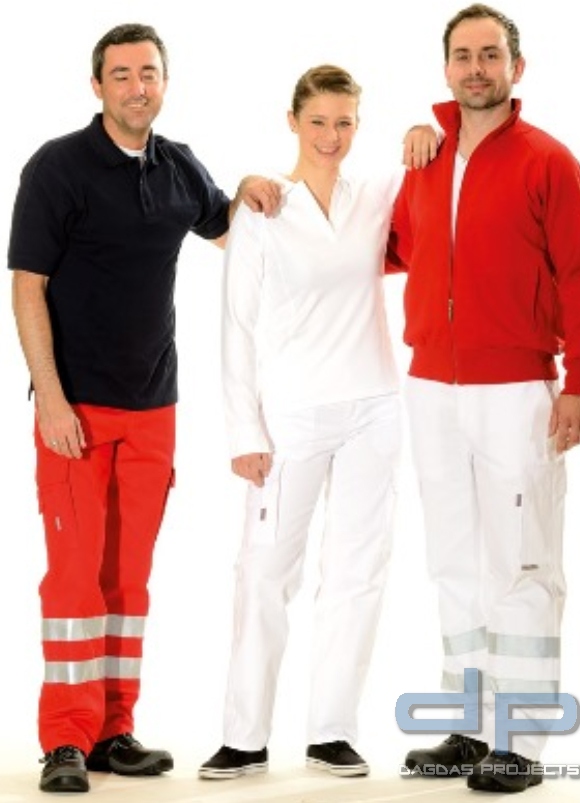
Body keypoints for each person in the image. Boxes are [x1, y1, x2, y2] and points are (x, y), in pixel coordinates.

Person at [7, 22, 281, 795]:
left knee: (128, 580)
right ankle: (64, 739)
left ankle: (111, 728)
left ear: (165, 82)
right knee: (74, 580)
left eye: (148, 73)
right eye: (121, 74)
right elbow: (26, 286)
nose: (137, 87)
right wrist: (51, 398)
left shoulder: (177, 166)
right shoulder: (58, 167)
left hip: (154, 406)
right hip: (75, 409)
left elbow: (234, 234)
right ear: (96, 85)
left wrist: (256, 187)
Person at [386, 3, 580, 795]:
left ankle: (519, 739)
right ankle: (468, 724)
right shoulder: (424, 159)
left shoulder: (548, 160)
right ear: (445, 67)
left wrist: (579, 379)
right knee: (454, 560)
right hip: (430, 386)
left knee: (522, 562)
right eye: (462, 55)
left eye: (489, 54)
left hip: (516, 388)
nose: (475, 68)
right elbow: (389, 248)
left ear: (516, 67)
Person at [197, 64, 410, 782]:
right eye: (318, 121)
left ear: (358, 125)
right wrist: (243, 433)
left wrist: (425, 131)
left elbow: (435, 175)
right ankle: (243, 736)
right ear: (293, 122)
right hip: (289, 416)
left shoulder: (374, 194)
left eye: (344, 122)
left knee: (357, 572)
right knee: (263, 572)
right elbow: (235, 325)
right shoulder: (263, 208)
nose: (331, 136)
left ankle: (331, 731)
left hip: (373, 408)